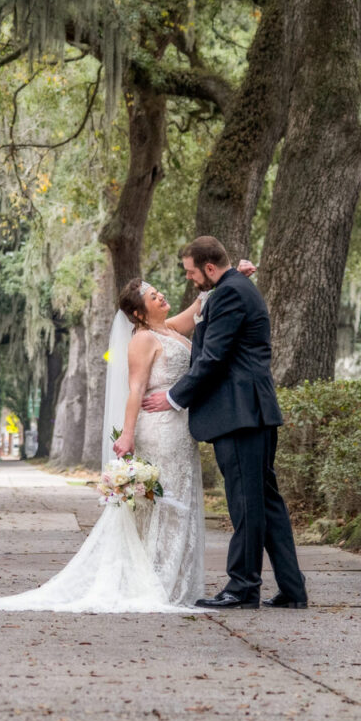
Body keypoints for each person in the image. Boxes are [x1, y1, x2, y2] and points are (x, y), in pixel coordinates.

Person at [0, 274, 217, 613]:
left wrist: (231, 278)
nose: (162, 296)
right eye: (154, 296)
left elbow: (199, 305)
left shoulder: (169, 329)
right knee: (162, 505)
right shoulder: (142, 340)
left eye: (159, 292)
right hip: (157, 430)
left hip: (181, 431)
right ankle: (157, 582)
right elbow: (136, 390)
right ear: (139, 313)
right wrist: (126, 434)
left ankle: (177, 581)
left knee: (181, 499)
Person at [142, 236, 308, 610]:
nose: (189, 279)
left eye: (191, 272)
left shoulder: (231, 293)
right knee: (266, 504)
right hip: (250, 412)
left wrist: (172, 398)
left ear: (210, 268)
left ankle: (243, 587)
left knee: (247, 504)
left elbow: (213, 357)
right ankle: (292, 589)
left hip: (240, 415)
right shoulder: (230, 288)